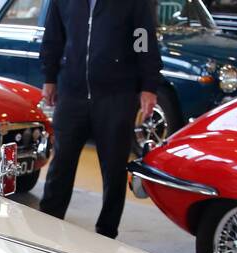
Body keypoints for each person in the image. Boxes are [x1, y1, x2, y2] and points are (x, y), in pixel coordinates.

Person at [38, 0, 161, 239]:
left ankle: (106, 231)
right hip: (72, 92)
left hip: (117, 95)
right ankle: (49, 221)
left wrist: (149, 86)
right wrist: (49, 77)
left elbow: (144, 42)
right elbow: (53, 37)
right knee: (61, 161)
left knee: (114, 167)